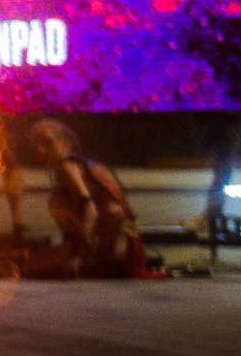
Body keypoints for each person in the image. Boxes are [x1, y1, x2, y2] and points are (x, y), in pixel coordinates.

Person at [27, 119, 154, 278]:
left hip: (108, 246)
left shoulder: (68, 167)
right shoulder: (83, 164)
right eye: (37, 145)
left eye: (47, 142)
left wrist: (76, 256)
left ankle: (93, 264)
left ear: (64, 142)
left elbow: (90, 211)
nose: (41, 150)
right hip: (121, 244)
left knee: (32, 264)